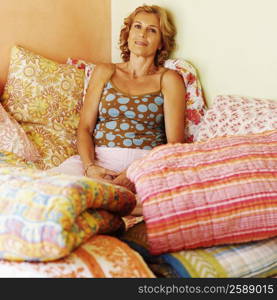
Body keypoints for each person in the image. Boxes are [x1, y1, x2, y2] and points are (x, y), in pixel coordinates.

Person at [53, 5, 186, 213]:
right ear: (128, 33)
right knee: (52, 191)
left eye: (152, 30)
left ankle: (117, 204)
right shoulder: (105, 71)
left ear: (161, 42)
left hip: (144, 165)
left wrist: (135, 173)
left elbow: (174, 145)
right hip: (98, 161)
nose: (142, 34)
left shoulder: (169, 79)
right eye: (138, 26)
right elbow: (85, 128)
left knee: (165, 204)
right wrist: (90, 168)